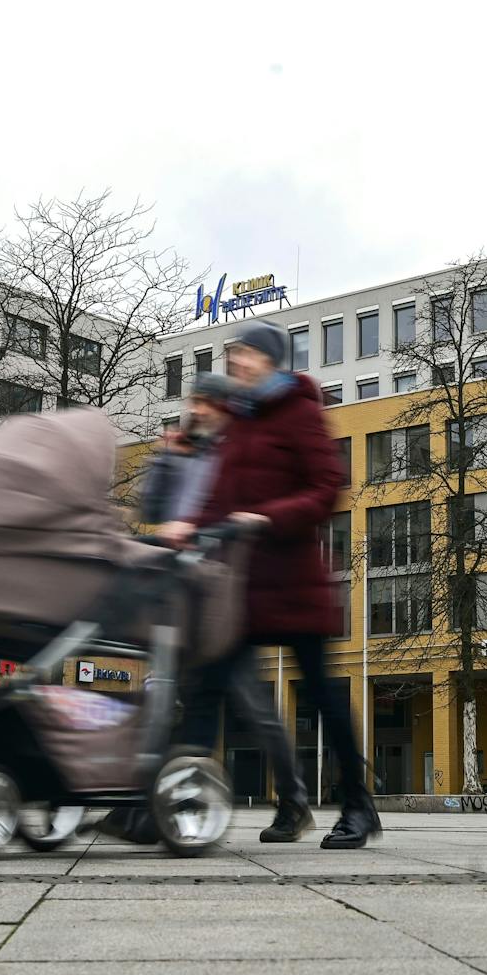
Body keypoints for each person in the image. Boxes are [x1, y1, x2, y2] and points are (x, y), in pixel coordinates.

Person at [164, 322, 371, 848]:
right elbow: (220, 493)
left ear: (274, 361)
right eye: (234, 353)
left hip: (293, 581)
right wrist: (189, 527)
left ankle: (358, 807)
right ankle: (177, 806)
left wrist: (266, 518)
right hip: (238, 586)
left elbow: (326, 488)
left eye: (248, 353)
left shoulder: (301, 410)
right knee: (207, 687)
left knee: (323, 697)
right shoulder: (238, 420)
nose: (238, 361)